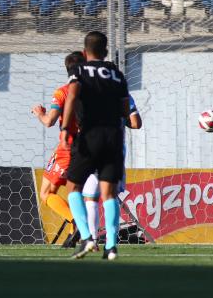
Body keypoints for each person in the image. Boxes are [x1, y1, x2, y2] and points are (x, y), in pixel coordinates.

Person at [60, 31, 130, 260]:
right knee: (109, 194)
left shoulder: (79, 71)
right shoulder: (117, 74)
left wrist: (65, 129)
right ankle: (111, 246)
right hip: (114, 136)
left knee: (73, 186)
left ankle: (87, 237)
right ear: (106, 51)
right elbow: (125, 109)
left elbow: (72, 96)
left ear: (84, 51)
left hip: (90, 135)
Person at [31, 52, 85, 246]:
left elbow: (49, 122)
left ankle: (76, 221)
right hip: (90, 148)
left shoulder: (63, 92)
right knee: (74, 192)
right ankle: (73, 236)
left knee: (46, 193)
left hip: (68, 148)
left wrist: (40, 113)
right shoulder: (95, 92)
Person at [79, 95, 142, 246]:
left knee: (90, 199)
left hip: (93, 150)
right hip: (115, 153)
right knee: (110, 197)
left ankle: (92, 241)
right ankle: (111, 243)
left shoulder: (87, 93)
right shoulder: (124, 95)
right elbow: (136, 123)